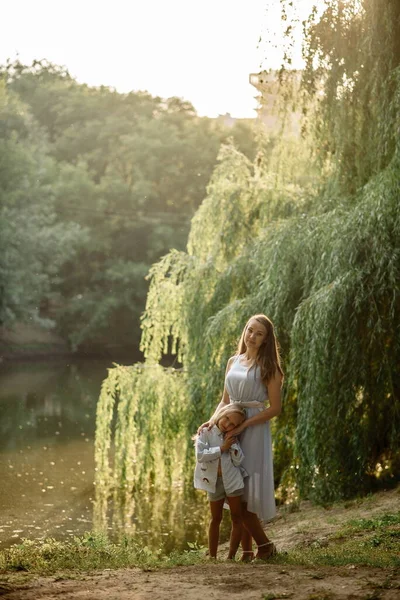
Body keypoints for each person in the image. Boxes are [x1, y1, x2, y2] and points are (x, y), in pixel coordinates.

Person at [198, 314, 283, 561]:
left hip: (253, 429)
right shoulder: (233, 361)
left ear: (266, 340)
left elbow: (275, 409)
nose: (252, 337)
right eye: (250, 330)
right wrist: (212, 422)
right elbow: (225, 400)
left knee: (246, 491)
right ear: (244, 331)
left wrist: (245, 424)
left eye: (259, 334)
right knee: (236, 489)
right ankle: (247, 552)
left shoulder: (269, 368)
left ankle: (265, 547)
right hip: (229, 426)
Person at [194, 404, 247, 559]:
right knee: (216, 518)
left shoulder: (230, 436)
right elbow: (200, 456)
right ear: (222, 413)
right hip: (213, 481)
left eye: (233, 425)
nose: (228, 425)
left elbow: (238, 461)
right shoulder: (205, 432)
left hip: (232, 480)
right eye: (228, 419)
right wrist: (222, 448)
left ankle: (231, 557)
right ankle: (212, 556)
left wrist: (233, 446)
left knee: (237, 518)